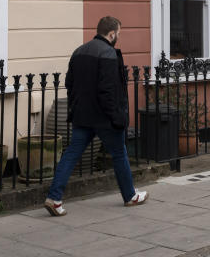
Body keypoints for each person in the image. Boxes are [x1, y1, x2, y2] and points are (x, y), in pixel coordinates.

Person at [44, 16, 148, 216]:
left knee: (71, 154)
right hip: (104, 117)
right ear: (112, 33)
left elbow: (70, 84)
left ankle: (54, 198)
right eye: (118, 33)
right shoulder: (109, 53)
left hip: (82, 115)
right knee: (119, 153)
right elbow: (108, 90)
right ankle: (130, 196)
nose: (118, 36)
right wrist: (117, 117)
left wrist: (77, 106)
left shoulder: (79, 52)